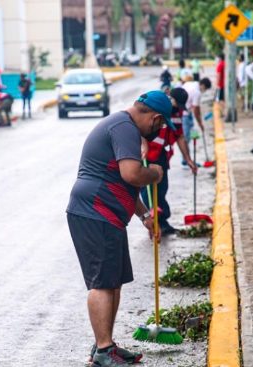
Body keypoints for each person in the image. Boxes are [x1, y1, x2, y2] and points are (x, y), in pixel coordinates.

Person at [67, 90, 174, 366]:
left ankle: (106, 346)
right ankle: (103, 351)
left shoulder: (124, 128)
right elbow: (133, 174)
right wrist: (156, 173)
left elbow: (124, 184)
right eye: (161, 125)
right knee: (102, 283)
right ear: (156, 117)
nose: (159, 130)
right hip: (94, 212)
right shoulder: (124, 127)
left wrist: (143, 215)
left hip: (107, 215)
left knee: (113, 282)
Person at [141, 88, 198, 236]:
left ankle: (162, 221)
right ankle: (155, 222)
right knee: (148, 192)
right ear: (169, 98)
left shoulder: (177, 113)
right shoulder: (155, 108)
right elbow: (139, 129)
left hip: (160, 155)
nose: (177, 108)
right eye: (176, 104)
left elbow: (179, 136)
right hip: (145, 156)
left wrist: (188, 159)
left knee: (162, 189)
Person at [180, 76, 213, 165]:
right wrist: (200, 124)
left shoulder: (191, 83)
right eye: (205, 89)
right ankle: (186, 161)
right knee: (186, 138)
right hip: (185, 115)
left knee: (189, 137)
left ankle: (188, 159)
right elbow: (196, 110)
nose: (204, 91)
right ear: (202, 85)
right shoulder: (197, 92)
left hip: (185, 113)